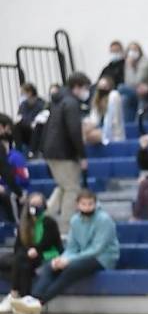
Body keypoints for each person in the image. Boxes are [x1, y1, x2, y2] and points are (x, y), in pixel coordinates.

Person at [11, 190, 119, 314]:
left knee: (70, 269)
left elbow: (97, 249)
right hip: (81, 255)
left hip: (103, 258)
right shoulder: (75, 220)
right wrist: (62, 258)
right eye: (84, 204)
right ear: (78, 205)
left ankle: (40, 302)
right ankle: (33, 298)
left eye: (90, 204)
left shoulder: (104, 220)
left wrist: (70, 260)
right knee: (51, 265)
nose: (88, 207)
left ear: (95, 204)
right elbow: (71, 247)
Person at [41, 72, 90, 234]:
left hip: (51, 150)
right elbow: (74, 131)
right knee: (72, 189)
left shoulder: (57, 101)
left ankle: (43, 220)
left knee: (62, 187)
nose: (86, 92)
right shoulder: (71, 103)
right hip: (64, 152)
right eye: (85, 88)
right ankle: (65, 229)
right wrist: (82, 155)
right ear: (77, 87)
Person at [0, 193, 62, 313]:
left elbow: (49, 243)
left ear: (44, 205)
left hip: (47, 253)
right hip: (26, 255)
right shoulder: (24, 223)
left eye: (39, 204)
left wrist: (36, 250)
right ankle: (21, 298)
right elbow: (18, 246)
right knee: (18, 260)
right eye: (33, 204)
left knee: (23, 263)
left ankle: (14, 294)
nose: (36, 207)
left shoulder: (49, 222)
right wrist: (26, 252)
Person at [0, 115, 29, 222]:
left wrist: (15, 190)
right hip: (6, 187)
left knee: (11, 195)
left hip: (15, 188)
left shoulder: (16, 157)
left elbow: (23, 179)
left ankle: (17, 225)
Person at [83, 76, 125, 145]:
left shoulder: (114, 95)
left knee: (89, 135)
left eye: (105, 87)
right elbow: (94, 120)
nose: (102, 90)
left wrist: (101, 135)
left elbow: (109, 122)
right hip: (104, 133)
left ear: (110, 87)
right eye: (100, 87)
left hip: (115, 136)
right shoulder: (98, 98)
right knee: (84, 132)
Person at [119, 42, 148, 122]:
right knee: (124, 99)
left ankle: (138, 124)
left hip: (145, 91)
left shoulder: (145, 62)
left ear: (139, 51)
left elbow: (138, 81)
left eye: (135, 49)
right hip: (134, 92)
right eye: (130, 50)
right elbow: (128, 82)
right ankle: (127, 125)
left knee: (121, 87)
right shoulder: (127, 63)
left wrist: (130, 67)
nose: (132, 52)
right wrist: (129, 66)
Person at [15, 83, 45, 154]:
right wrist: (28, 122)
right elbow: (20, 118)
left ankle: (33, 152)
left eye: (23, 93)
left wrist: (28, 121)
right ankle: (19, 151)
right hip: (27, 130)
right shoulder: (23, 104)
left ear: (30, 93)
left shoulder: (41, 104)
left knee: (37, 126)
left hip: (38, 132)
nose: (21, 95)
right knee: (16, 126)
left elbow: (40, 120)